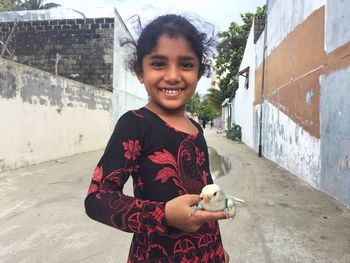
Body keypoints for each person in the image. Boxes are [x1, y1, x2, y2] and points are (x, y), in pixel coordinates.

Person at [84, 14, 233, 262]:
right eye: (158, 64)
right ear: (139, 71)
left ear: (199, 72)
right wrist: (162, 214)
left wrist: (218, 248)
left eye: (186, 64)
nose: (173, 75)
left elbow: (204, 194)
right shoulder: (135, 124)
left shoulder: (197, 129)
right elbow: (97, 198)